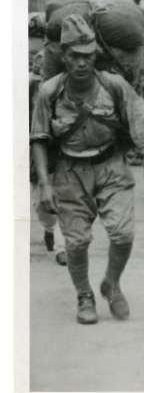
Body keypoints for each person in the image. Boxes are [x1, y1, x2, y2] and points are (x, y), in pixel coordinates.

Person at [30, 14, 144, 325]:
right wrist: (45, 185)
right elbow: (39, 138)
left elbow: (140, 118)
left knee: (123, 234)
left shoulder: (113, 85)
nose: (81, 63)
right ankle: (84, 295)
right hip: (69, 171)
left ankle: (112, 284)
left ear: (95, 55)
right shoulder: (50, 91)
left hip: (111, 166)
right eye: (74, 56)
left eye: (87, 56)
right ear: (63, 56)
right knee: (76, 242)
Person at [29, 49, 67, 265]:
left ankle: (63, 247)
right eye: (38, 62)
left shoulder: (62, 88)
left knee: (65, 199)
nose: (41, 66)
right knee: (40, 203)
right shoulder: (30, 86)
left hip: (61, 150)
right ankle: (49, 228)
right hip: (36, 148)